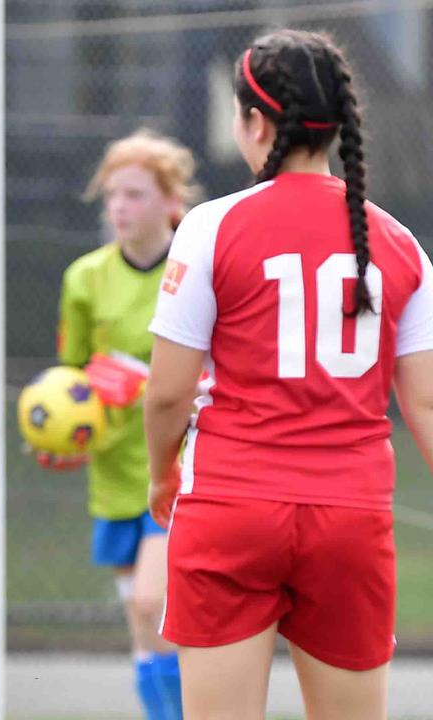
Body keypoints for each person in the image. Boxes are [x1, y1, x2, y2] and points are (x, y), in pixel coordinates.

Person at [144, 29, 433, 720]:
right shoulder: (400, 242)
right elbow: (423, 402)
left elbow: (169, 393)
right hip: (351, 517)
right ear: (337, 124)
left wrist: (162, 475)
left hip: (232, 507)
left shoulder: (212, 227)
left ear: (253, 121)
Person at [47, 129, 201, 720]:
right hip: (113, 472)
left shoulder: (193, 269)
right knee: (144, 628)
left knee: (151, 604)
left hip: (178, 467)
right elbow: (72, 378)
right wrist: (65, 430)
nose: (119, 207)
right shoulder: (85, 277)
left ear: (170, 203)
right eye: (112, 195)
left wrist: (148, 380)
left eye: (135, 194)